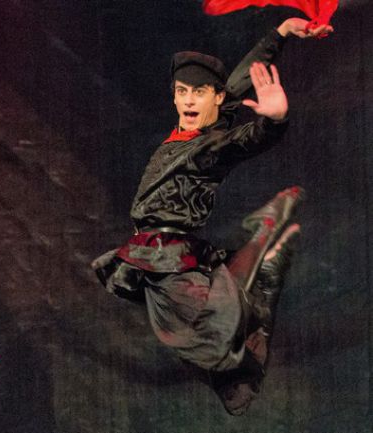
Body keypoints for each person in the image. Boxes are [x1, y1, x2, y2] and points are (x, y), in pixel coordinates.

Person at [91, 17, 331, 415]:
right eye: (182, 92)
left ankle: (264, 251)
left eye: (199, 93)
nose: (189, 101)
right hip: (161, 256)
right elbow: (240, 79)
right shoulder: (193, 128)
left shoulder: (207, 147)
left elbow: (243, 141)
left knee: (211, 339)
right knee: (211, 336)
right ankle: (263, 242)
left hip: (168, 258)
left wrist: (273, 122)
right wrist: (281, 33)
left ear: (215, 99)